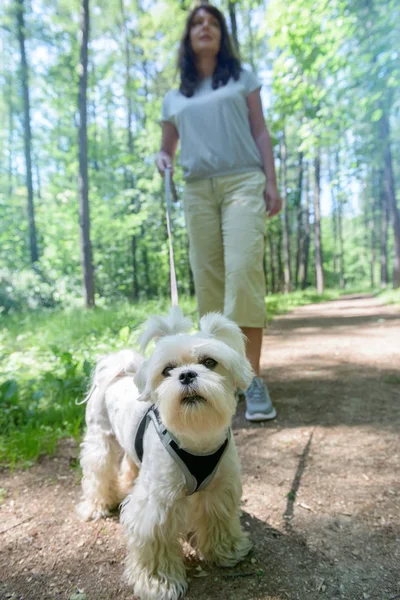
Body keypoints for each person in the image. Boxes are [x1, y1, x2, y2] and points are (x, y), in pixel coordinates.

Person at [156, 4, 281, 421]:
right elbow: (166, 148)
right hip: (196, 191)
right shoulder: (176, 97)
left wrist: (271, 182)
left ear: (222, 35)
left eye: (212, 22)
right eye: (196, 22)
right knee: (208, 287)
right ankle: (221, 383)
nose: (204, 27)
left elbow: (261, 132)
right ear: (188, 38)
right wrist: (162, 160)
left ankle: (253, 379)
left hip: (243, 181)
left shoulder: (242, 78)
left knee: (243, 272)